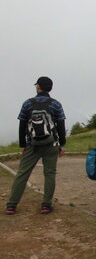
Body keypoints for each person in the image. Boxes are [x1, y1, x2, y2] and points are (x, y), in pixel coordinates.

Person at [5, 76, 66, 215]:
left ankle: (11, 205)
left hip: (32, 144)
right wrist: (61, 144)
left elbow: (22, 125)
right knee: (49, 174)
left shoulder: (27, 103)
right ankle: (46, 205)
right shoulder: (56, 104)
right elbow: (61, 125)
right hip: (51, 144)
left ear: (38, 87)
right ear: (50, 88)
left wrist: (23, 144)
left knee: (22, 174)